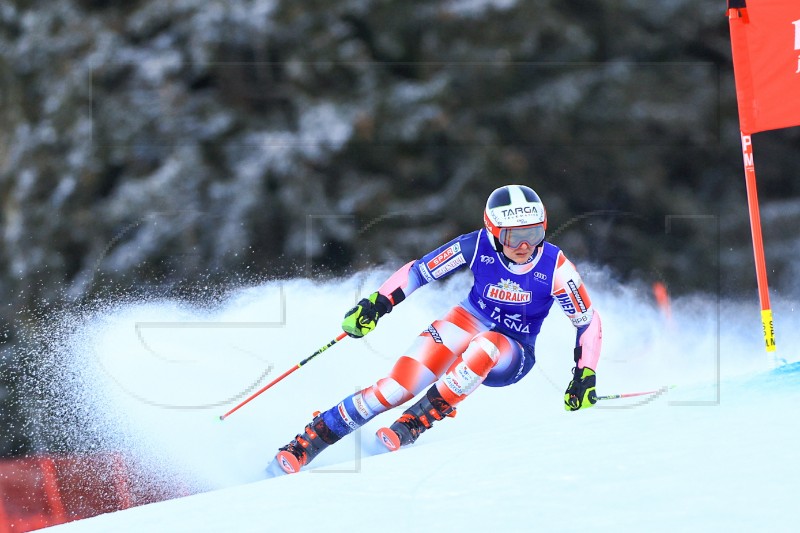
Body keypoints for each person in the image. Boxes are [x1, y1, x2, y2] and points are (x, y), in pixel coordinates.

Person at [274, 184, 602, 474]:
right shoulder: (475, 246)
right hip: (467, 320)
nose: (525, 245)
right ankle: (309, 442)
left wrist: (584, 374)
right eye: (513, 236)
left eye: (534, 233)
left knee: (485, 346)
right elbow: (419, 272)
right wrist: (379, 303)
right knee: (394, 389)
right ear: (493, 231)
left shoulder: (555, 266)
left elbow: (587, 321)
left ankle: (415, 421)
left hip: (513, 350)